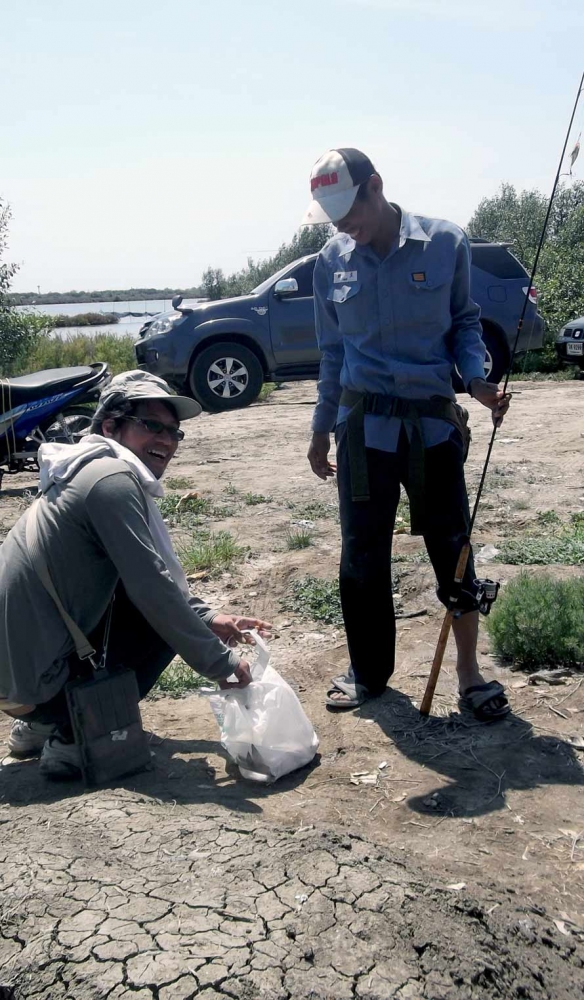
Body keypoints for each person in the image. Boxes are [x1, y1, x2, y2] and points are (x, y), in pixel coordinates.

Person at [303, 148, 511, 721]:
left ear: (377, 186)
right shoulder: (330, 260)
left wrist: (477, 380)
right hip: (362, 428)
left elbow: (465, 323)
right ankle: (368, 672)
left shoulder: (446, 243)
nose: (344, 224)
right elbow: (330, 353)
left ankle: (469, 675)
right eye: (334, 216)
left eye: (350, 209)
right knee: (362, 555)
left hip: (430, 426)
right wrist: (321, 430)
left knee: (453, 546)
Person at [0, 370, 270, 778]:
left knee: (150, 603)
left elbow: (146, 575)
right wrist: (221, 664)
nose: (165, 440)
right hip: (32, 682)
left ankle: (39, 725)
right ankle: (75, 736)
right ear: (111, 426)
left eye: (173, 433)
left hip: (17, 675)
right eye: (151, 426)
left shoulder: (82, 468)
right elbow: (154, 589)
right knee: (158, 619)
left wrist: (211, 618)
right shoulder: (111, 482)